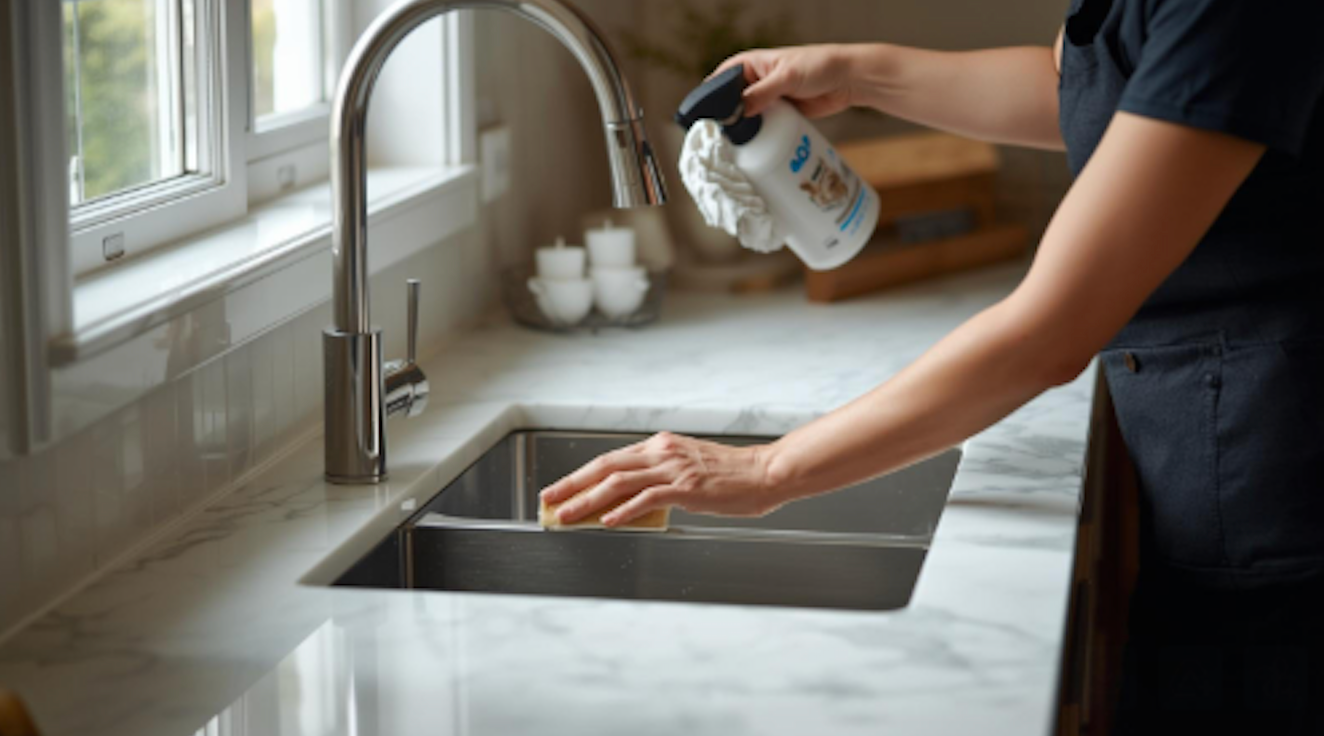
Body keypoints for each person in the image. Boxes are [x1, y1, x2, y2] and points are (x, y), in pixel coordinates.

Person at [542, 0, 1324, 731]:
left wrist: (769, 469)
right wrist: (853, 73)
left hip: (1276, 499)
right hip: (1213, 464)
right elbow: (1080, 86)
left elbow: (1052, 329)